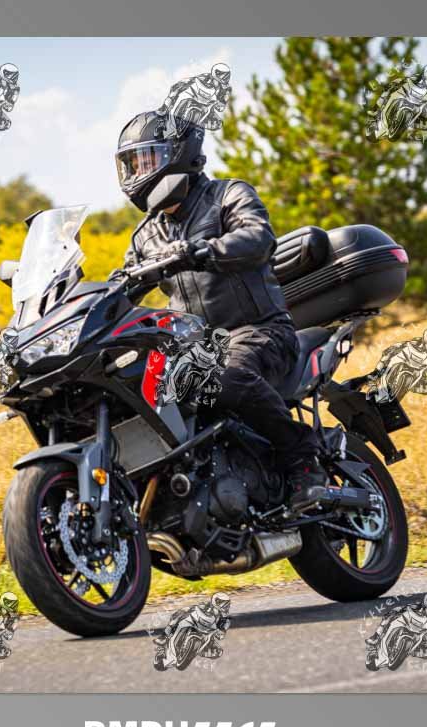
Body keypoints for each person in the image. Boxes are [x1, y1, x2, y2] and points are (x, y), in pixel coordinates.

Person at [113, 109, 326, 512]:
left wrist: (202, 251)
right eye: (132, 164)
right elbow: (122, 285)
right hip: (196, 346)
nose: (138, 173)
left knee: (224, 377)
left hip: (260, 330)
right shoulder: (146, 235)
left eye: (147, 160)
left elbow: (258, 237)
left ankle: (304, 458)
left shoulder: (228, 195)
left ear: (179, 154)